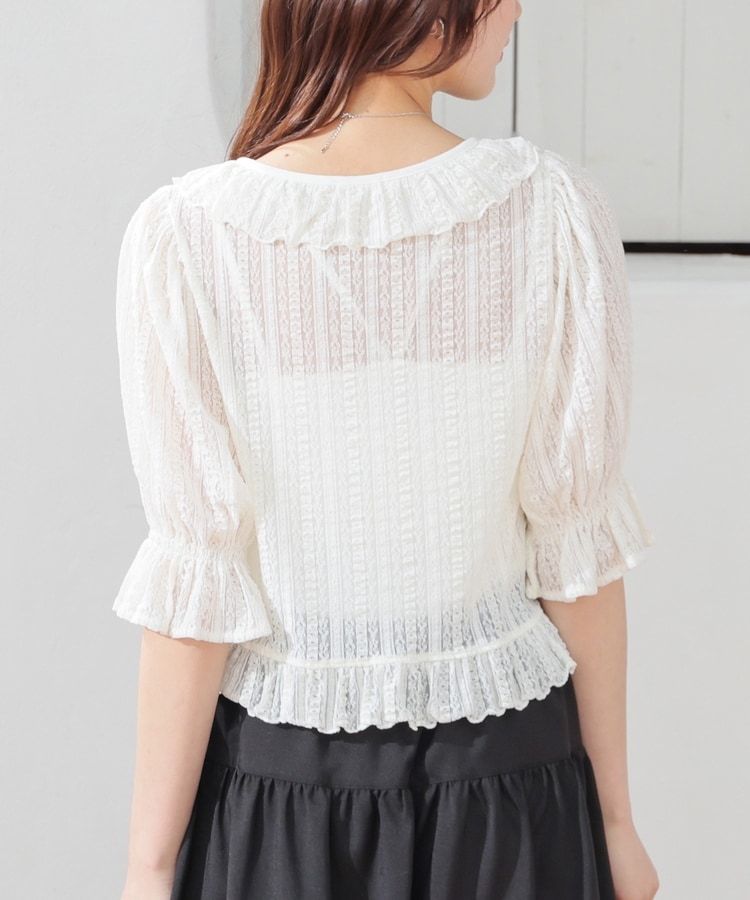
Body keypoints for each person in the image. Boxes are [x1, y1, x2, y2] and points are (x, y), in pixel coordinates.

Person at [114, 1, 660, 898]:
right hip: (513, 794)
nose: (516, 9)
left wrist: (147, 866)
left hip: (279, 804)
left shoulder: (185, 236)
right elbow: (576, 554)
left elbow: (197, 585)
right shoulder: (553, 211)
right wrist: (615, 824)